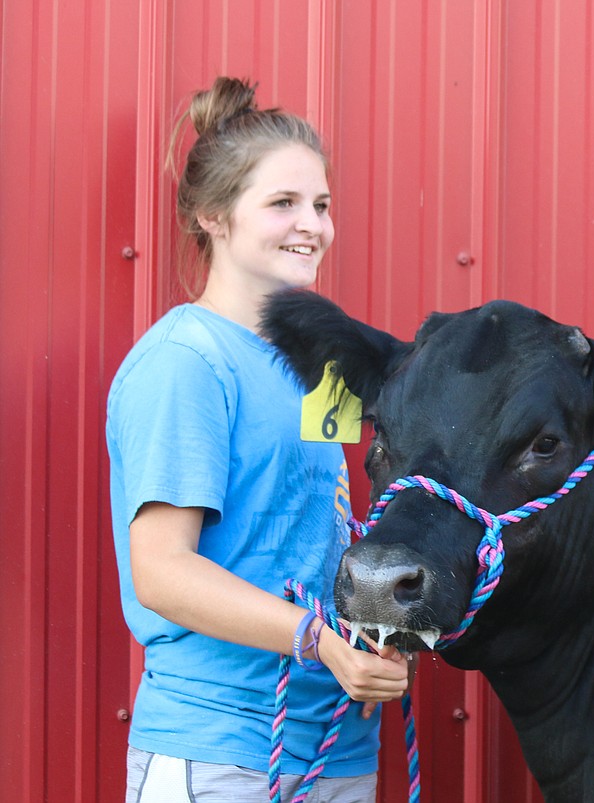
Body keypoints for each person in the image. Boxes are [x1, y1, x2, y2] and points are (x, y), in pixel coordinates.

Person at [106, 76, 410, 802]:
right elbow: (163, 573)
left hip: (335, 747)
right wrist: (319, 640)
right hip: (221, 754)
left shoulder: (319, 367)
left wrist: (371, 636)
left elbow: (324, 531)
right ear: (213, 215)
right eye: (283, 203)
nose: (313, 224)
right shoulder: (187, 361)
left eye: (322, 204)